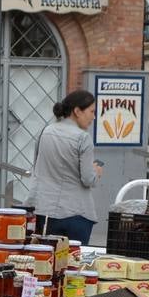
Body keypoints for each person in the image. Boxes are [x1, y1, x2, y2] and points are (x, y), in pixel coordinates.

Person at [30, 89, 104, 246]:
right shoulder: (83, 138)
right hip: (76, 213)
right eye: (91, 111)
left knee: (47, 262)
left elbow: (38, 168)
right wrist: (96, 172)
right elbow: (87, 179)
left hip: (45, 211)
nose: (93, 117)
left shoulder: (45, 131)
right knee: (73, 264)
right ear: (77, 111)